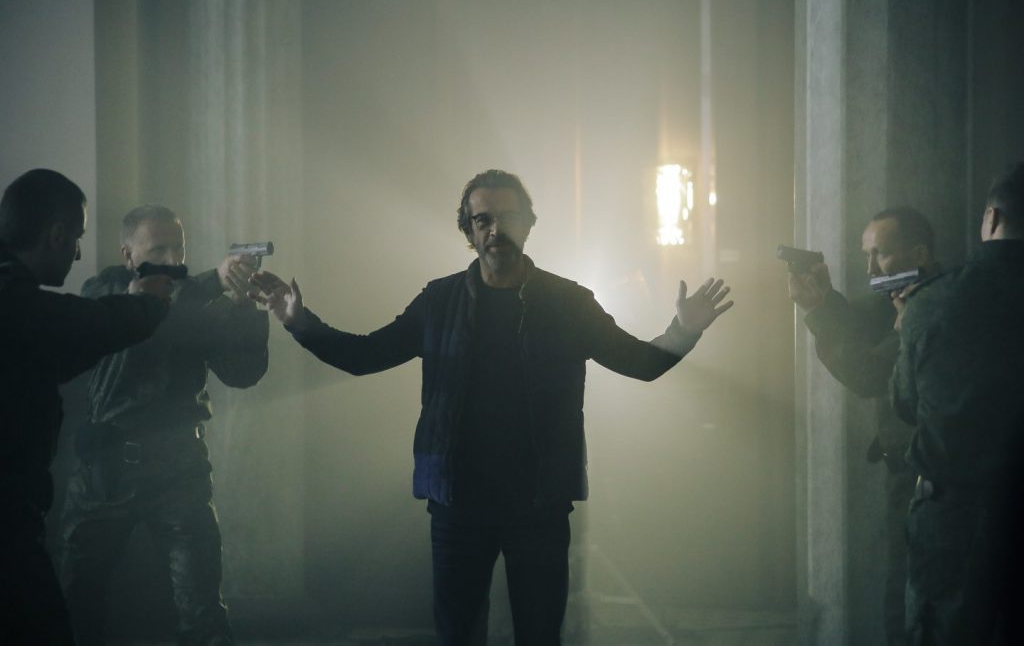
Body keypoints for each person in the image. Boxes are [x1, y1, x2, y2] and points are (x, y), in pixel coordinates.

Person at [249, 169, 733, 646]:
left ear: (528, 224)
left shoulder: (569, 302)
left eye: (508, 217)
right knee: (458, 636)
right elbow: (365, 356)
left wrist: (684, 330)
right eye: (483, 220)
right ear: (469, 231)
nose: (496, 230)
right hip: (458, 503)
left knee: (539, 636)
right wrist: (298, 321)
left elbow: (639, 364)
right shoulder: (439, 301)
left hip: (539, 503)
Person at [60, 204, 270, 646]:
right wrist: (214, 281)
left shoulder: (196, 303)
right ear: (128, 255)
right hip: (106, 473)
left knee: (203, 613)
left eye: (179, 248)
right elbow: (144, 308)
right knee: (79, 606)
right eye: (158, 249)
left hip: (180, 470)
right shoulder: (106, 290)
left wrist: (244, 308)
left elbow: (243, 374)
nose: (173, 259)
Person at [0, 169, 171, 645]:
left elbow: (55, 350)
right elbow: (75, 325)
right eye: (76, 238)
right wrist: (145, 305)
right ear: (56, 235)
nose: (77, 253)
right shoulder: (15, 301)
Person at [788, 207, 939, 645]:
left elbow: (868, 371)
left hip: (926, 479)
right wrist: (825, 299)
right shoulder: (901, 297)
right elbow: (861, 326)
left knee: (908, 600)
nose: (870, 268)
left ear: (919, 254)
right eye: (866, 255)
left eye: (881, 254)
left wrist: (818, 309)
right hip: (912, 473)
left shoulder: (928, 307)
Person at [892, 162, 1024, 645]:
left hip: (953, 517)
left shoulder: (932, 302)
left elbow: (906, 404)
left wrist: (907, 326)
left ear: (992, 217)